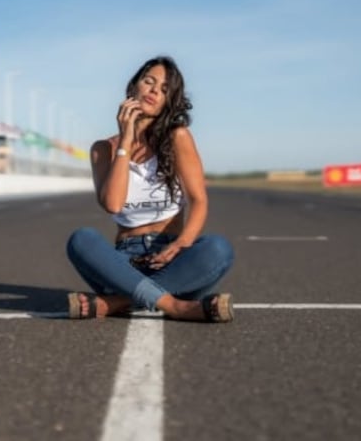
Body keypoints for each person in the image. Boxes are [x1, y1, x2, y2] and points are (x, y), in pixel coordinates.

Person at [66, 56, 235, 322]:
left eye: (165, 89)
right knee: (81, 239)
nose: (155, 91)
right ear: (133, 87)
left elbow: (199, 200)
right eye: (149, 81)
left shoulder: (177, 137)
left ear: (169, 101)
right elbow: (113, 204)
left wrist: (182, 243)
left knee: (218, 248)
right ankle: (177, 307)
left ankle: (117, 303)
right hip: (123, 262)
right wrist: (126, 139)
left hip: (173, 258)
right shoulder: (103, 149)